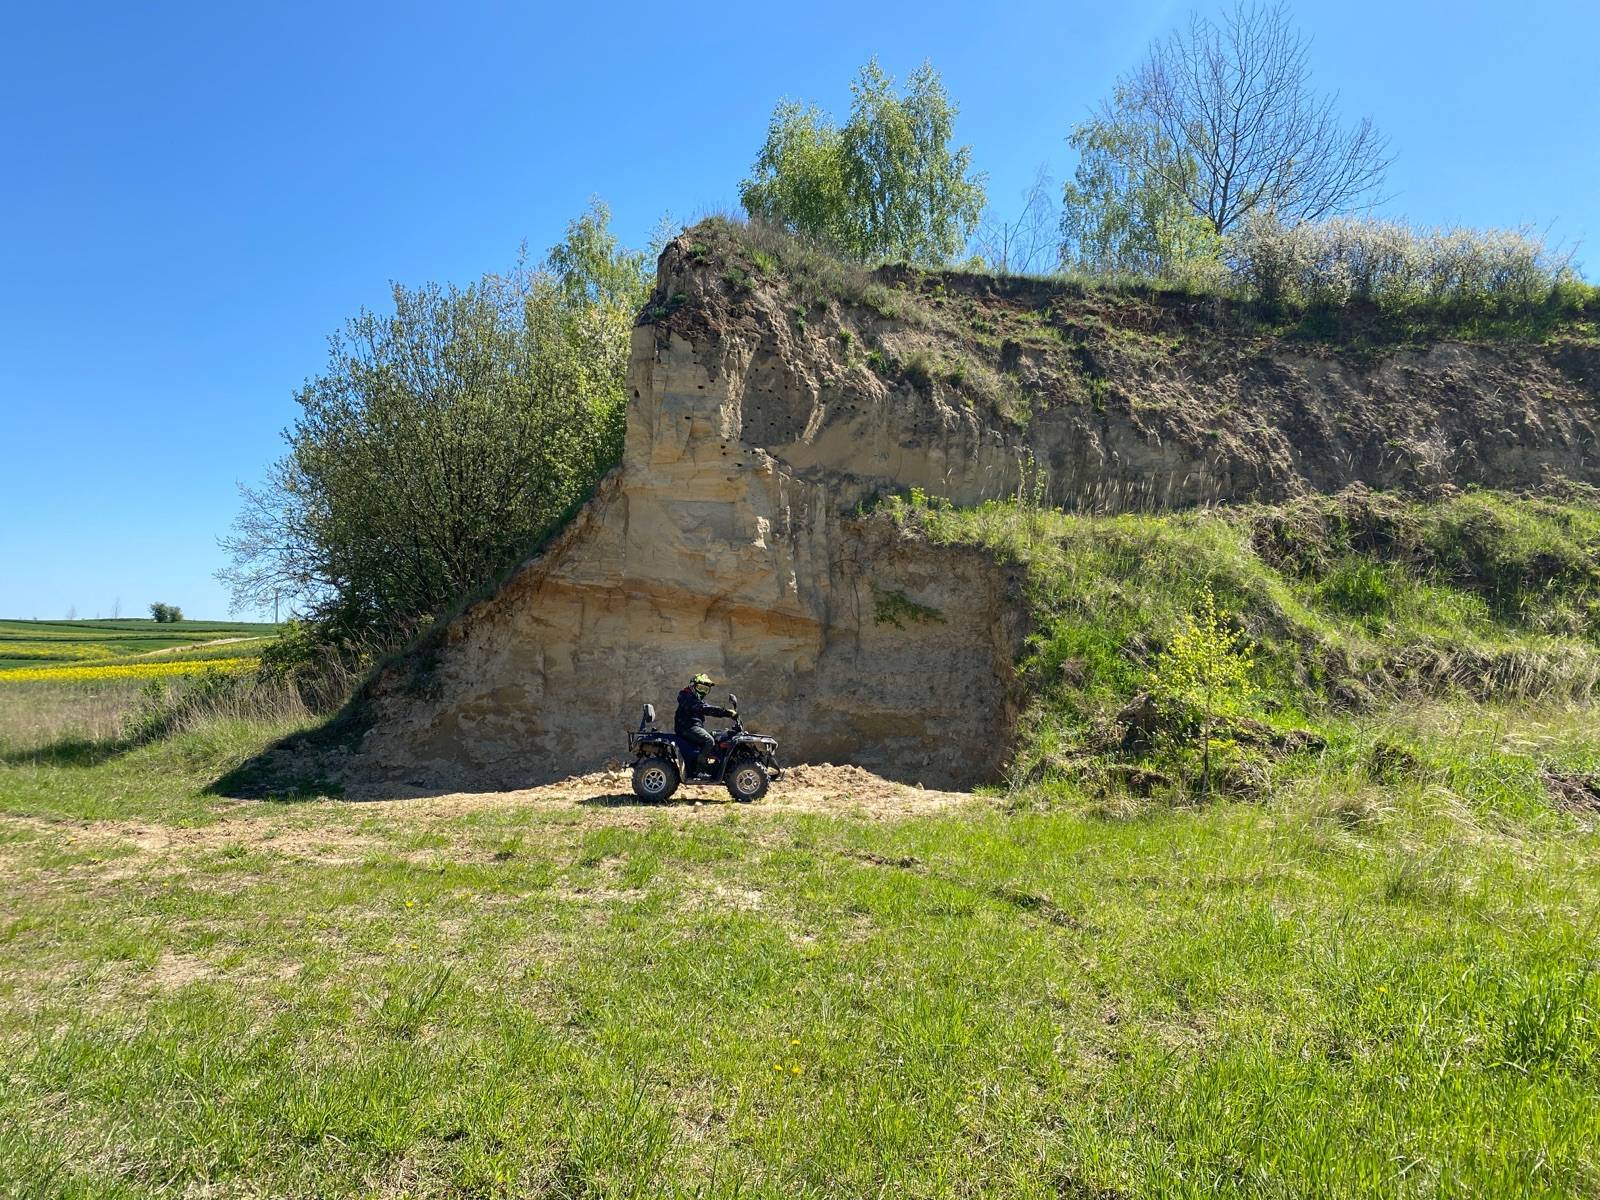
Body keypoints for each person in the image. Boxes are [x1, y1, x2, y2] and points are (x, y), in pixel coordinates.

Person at [675, 672, 735, 776]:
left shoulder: (693, 698)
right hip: (687, 727)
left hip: (691, 726)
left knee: (716, 736)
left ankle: (714, 766)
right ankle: (700, 770)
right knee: (709, 740)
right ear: (693, 686)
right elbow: (705, 709)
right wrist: (726, 712)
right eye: (701, 688)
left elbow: (705, 707)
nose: (703, 692)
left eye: (706, 690)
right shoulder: (687, 698)